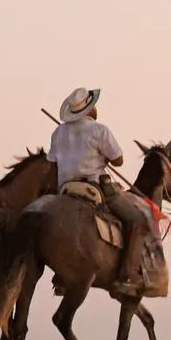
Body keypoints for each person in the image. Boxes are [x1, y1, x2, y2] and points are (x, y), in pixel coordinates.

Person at [49, 87, 153, 298]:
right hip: (93, 187)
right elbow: (119, 160)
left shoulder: (58, 132)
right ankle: (126, 277)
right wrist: (103, 157)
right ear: (89, 109)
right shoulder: (99, 130)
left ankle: (60, 277)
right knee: (137, 219)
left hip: (65, 189)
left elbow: (51, 162)